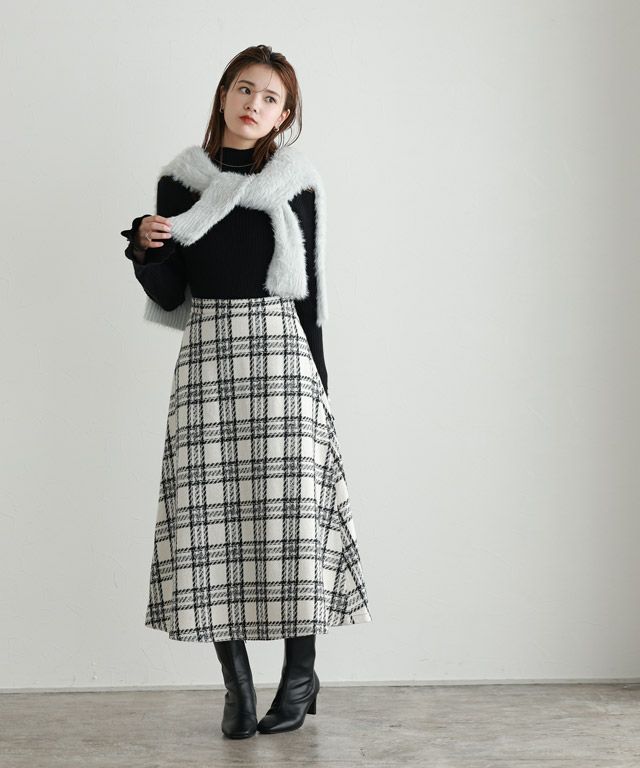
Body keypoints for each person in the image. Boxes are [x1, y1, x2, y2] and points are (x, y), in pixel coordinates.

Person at [121, 44, 372, 739]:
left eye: (270, 97)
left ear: (285, 115)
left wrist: (320, 388)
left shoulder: (296, 182)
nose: (253, 104)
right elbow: (171, 293)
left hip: (283, 358)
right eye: (244, 88)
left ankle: (299, 675)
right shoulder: (182, 182)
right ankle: (235, 686)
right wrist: (145, 249)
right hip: (208, 357)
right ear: (224, 95)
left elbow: (311, 295)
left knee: (292, 521)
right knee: (208, 521)